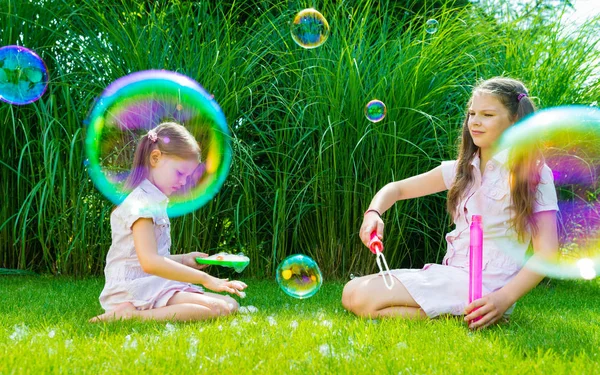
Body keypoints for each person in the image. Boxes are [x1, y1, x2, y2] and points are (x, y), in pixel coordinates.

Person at [342, 77, 559, 330]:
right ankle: (458, 314)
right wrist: (373, 213)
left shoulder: (533, 173)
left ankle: (480, 312)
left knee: (360, 297)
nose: (475, 122)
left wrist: (503, 299)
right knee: (352, 293)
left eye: (487, 114)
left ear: (515, 121)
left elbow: (546, 252)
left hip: (489, 289)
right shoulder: (461, 170)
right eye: (472, 113)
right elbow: (397, 188)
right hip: (453, 277)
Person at [90, 122, 246, 323]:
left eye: (187, 177)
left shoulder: (154, 201)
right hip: (132, 289)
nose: (183, 182)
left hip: (153, 283)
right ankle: (130, 316)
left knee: (229, 304)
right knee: (218, 309)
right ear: (155, 158)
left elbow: (150, 258)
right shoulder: (140, 203)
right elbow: (150, 262)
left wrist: (184, 259)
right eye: (180, 173)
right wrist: (206, 279)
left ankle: (136, 314)